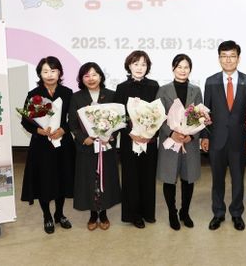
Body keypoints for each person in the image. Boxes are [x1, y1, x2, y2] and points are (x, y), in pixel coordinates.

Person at [201, 40, 246, 231]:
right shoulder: (211, 81)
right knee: (217, 179)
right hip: (216, 139)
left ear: (238, 58)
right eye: (224, 56)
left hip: (239, 139)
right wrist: (204, 136)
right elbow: (205, 112)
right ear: (219, 59)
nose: (228, 60)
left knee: (238, 179)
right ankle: (218, 213)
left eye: (232, 56)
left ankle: (236, 213)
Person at [20, 56, 75, 234]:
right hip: (42, 146)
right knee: (44, 180)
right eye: (45, 71)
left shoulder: (67, 92)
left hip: (63, 144)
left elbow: (74, 119)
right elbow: (26, 121)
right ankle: (47, 216)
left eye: (53, 71)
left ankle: (59, 214)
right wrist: (40, 131)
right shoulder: (34, 94)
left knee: (62, 179)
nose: (49, 75)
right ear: (40, 74)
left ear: (59, 73)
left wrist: (63, 130)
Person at [68, 62, 121, 231]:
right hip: (87, 147)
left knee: (105, 179)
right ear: (81, 79)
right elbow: (72, 123)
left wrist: (110, 136)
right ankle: (92, 214)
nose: (91, 79)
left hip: (106, 146)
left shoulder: (111, 95)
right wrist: (84, 138)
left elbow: (119, 120)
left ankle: (103, 213)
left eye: (94, 75)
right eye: (86, 75)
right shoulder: (76, 97)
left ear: (101, 76)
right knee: (89, 180)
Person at [156, 54, 204, 231]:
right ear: (173, 68)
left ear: (190, 69)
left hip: (189, 142)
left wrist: (192, 136)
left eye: (186, 67)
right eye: (179, 67)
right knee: (169, 179)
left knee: (188, 179)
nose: (183, 70)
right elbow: (158, 116)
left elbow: (201, 116)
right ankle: (172, 213)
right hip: (170, 141)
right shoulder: (163, 90)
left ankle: (185, 212)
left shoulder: (196, 90)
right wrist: (171, 133)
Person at [114, 50, 160, 229]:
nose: (139, 68)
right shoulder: (121, 88)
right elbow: (119, 116)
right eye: (136, 64)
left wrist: (150, 133)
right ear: (129, 66)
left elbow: (159, 113)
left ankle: (148, 213)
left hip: (149, 140)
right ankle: (134, 215)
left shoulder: (154, 86)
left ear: (148, 67)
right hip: (130, 140)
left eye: (143, 64)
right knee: (131, 178)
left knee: (148, 177)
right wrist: (131, 132)